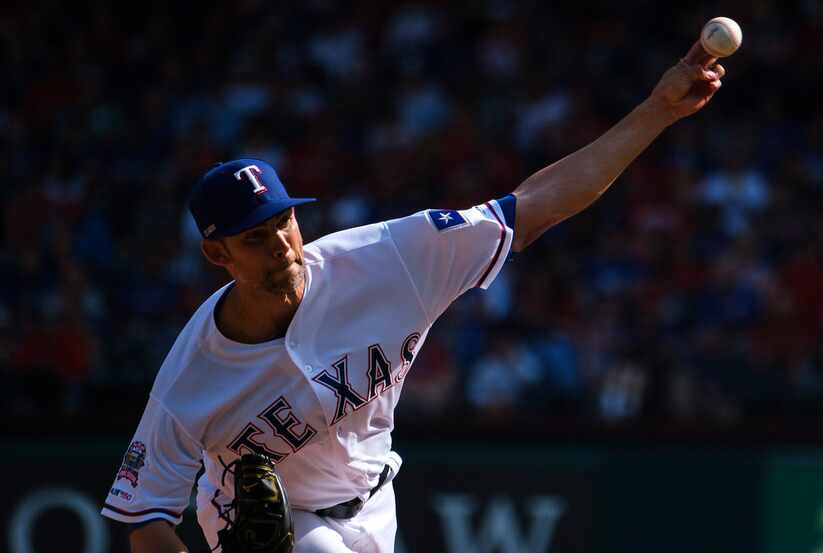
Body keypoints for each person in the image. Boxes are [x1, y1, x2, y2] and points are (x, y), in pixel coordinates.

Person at [101, 42, 727, 552]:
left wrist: (656, 111)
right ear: (219, 255)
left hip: (376, 505)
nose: (283, 246)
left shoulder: (389, 259)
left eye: (285, 222)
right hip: (270, 534)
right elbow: (145, 518)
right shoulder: (191, 377)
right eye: (257, 238)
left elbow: (537, 205)